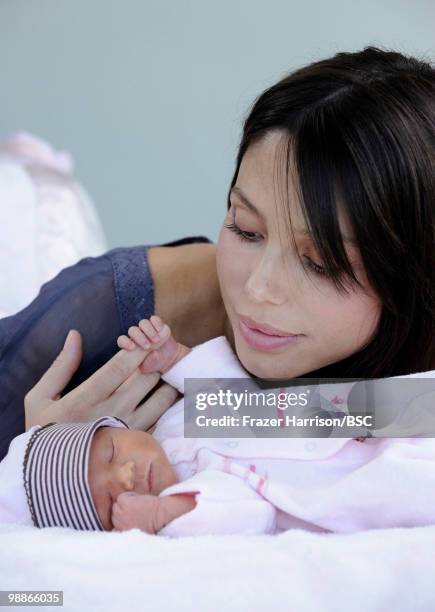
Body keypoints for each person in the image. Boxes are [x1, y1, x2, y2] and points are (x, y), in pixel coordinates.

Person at [0, 45, 434, 463]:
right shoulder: (100, 319)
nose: (259, 288)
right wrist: (35, 455)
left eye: (319, 262)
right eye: (246, 229)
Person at [2, 315, 435, 537]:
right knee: (411, 486)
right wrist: (158, 515)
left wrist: (175, 361)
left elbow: (235, 396)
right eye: (112, 497)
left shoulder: (173, 422)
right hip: (336, 485)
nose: (127, 475)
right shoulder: (179, 502)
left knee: (418, 400)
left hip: (336, 415)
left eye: (113, 452)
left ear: (114, 426)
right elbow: (248, 513)